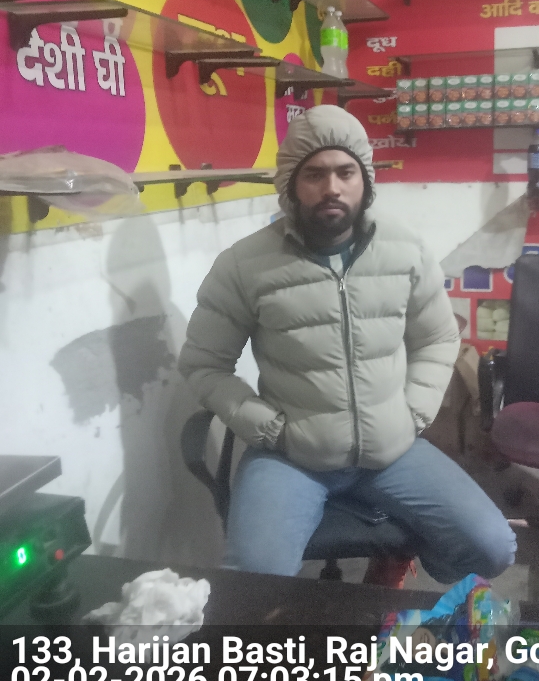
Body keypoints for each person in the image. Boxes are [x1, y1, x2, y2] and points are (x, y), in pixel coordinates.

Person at [178, 104, 516, 586]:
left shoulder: (406, 250)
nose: (332, 187)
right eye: (314, 174)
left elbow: (438, 336)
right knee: (253, 583)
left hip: (391, 451)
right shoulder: (244, 265)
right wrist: (270, 429)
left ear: (365, 181)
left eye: (345, 172)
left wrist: (413, 413)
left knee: (494, 548)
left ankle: (401, 557)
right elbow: (203, 364)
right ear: (291, 185)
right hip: (293, 457)